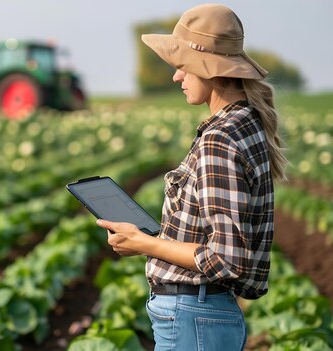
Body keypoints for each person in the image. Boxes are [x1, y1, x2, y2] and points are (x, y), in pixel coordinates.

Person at [96, 3, 288, 350]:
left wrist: (144, 244)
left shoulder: (219, 140)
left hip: (192, 316)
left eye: (182, 66)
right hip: (201, 315)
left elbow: (226, 258)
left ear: (210, 69)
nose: (176, 76)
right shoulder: (245, 124)